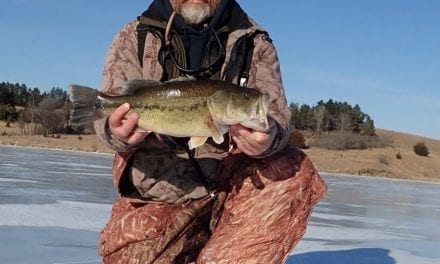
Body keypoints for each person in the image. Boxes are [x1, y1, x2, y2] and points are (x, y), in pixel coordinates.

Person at [93, 0, 327, 263]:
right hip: (159, 195)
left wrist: (269, 138)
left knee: (292, 168)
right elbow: (106, 119)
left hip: (232, 192)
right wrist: (116, 133)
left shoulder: (254, 41)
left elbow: (277, 116)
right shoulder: (134, 36)